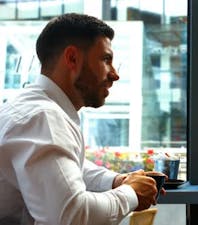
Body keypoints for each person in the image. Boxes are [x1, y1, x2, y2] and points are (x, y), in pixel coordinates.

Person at [0, 13, 163, 225]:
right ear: (72, 59)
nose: (115, 74)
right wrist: (131, 193)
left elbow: (63, 167)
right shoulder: (42, 118)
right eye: (106, 60)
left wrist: (115, 181)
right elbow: (70, 216)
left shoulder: (32, 107)